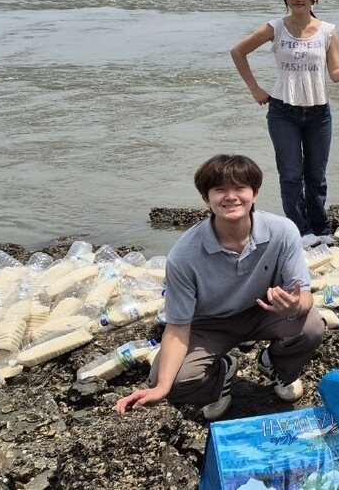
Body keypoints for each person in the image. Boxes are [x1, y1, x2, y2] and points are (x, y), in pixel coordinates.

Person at [115, 155, 322, 420]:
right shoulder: (184, 255)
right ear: (206, 198)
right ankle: (221, 373)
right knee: (174, 382)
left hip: (262, 310)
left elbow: (303, 295)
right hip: (208, 324)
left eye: (240, 189)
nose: (231, 197)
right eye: (220, 190)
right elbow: (177, 327)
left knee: (312, 326)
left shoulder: (282, 231)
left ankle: (276, 367)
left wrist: (295, 305)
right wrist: (162, 388)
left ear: (255, 194)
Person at [229, 0, 339, 244]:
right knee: (292, 175)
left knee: (316, 176)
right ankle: (299, 231)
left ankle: (321, 230)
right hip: (283, 111)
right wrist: (255, 89)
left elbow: (335, 72)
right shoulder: (275, 28)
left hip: (319, 114)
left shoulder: (328, 31)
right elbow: (238, 52)